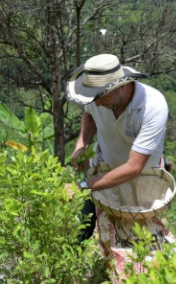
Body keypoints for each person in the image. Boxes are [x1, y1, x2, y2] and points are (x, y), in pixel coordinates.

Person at [66, 53, 168, 241]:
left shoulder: (153, 107)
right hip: (103, 166)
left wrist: (82, 186)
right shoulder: (98, 99)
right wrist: (82, 144)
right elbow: (89, 115)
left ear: (120, 86)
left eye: (100, 97)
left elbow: (133, 167)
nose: (96, 103)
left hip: (142, 179)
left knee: (138, 237)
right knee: (81, 227)